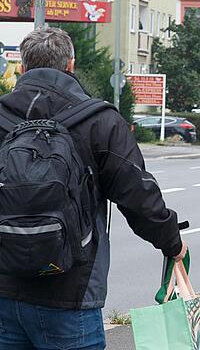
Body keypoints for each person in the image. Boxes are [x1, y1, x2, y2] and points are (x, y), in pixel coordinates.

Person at [0, 28, 186, 349]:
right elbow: (138, 195)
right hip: (71, 292)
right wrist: (172, 243)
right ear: (71, 65)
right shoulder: (99, 120)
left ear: (23, 68)